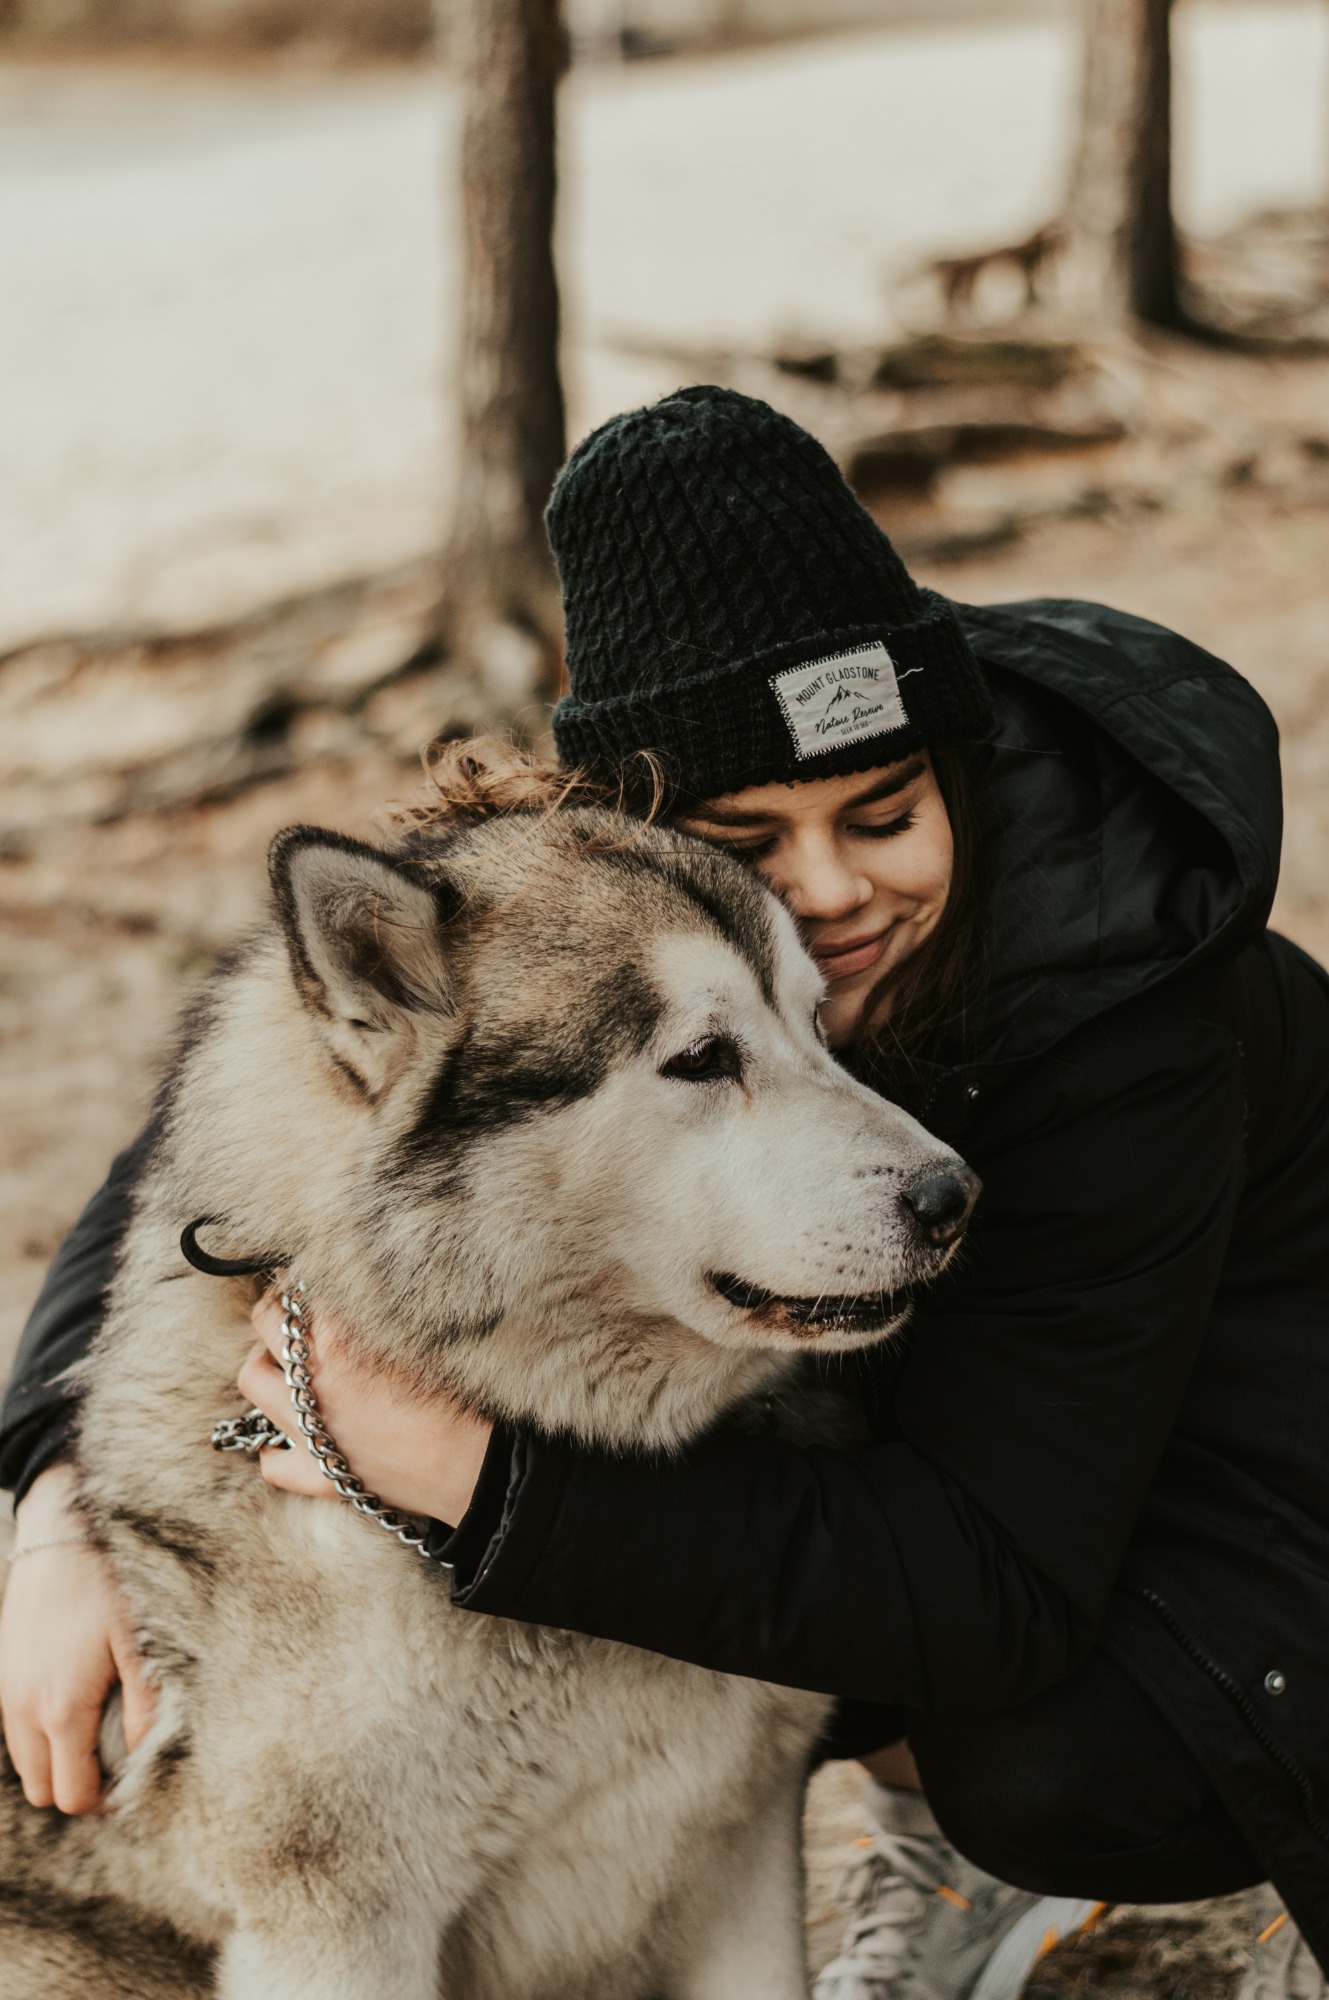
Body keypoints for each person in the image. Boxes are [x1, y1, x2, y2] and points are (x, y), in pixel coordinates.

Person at [3, 386, 1328, 2000]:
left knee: (1043, 1751)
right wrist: (55, 1502)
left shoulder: (1125, 1005)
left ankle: (1071, 1847)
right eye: (752, 839)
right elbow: (208, 1152)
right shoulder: (604, 914)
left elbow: (993, 1586)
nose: (831, 891)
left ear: (949, 770)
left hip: (1226, 1474)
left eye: (884, 812)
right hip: (967, 1438)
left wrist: (487, 1492)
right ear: (635, 833)